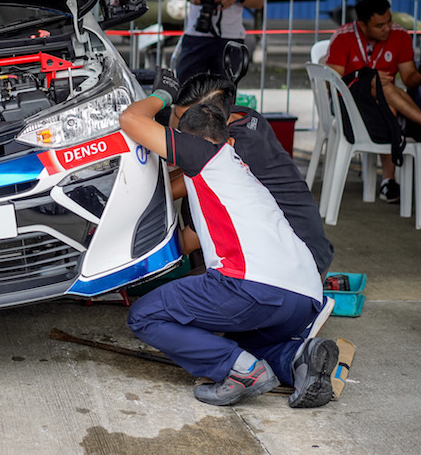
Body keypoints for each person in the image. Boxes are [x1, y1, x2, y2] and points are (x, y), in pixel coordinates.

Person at [119, 70, 339, 408]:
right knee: (241, 343)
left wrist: (162, 95)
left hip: (253, 286)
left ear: (185, 140)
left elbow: (131, 119)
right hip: (305, 295)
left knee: (145, 315)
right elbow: (179, 207)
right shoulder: (236, 165)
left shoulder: (199, 153)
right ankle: (299, 357)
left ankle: (240, 372)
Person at [170, 73, 334, 275]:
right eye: (176, 115)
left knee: (173, 287)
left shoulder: (234, 152)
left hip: (300, 266)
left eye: (185, 120)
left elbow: (183, 240)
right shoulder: (242, 116)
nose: (178, 128)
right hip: (309, 251)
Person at [326, 0, 421, 203]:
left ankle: (388, 181)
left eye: (389, 21)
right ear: (362, 25)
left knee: (384, 92)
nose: (387, 28)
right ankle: (388, 180)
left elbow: (409, 79)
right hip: (347, 106)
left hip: (385, 106)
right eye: (379, 25)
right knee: (380, 85)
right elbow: (331, 83)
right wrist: (367, 81)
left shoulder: (399, 36)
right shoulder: (344, 36)